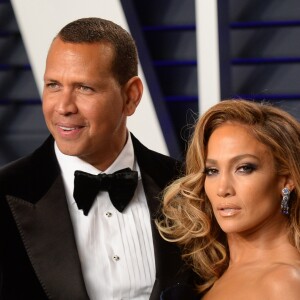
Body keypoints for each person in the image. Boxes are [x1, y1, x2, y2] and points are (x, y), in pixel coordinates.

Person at [0, 17, 196, 300]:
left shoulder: (188, 188)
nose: (64, 107)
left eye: (84, 88)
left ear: (131, 96)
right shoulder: (6, 193)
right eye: (53, 85)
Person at [157, 99, 300, 299]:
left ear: (287, 180)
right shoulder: (214, 273)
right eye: (212, 171)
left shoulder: (285, 282)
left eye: (244, 168)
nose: (223, 189)